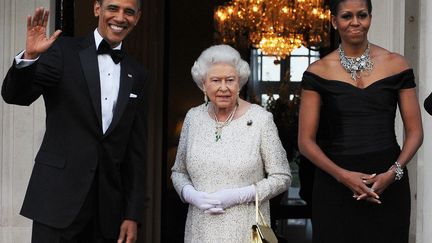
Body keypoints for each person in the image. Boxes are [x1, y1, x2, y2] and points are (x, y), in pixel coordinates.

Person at [1, 0, 148, 242]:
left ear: (138, 17)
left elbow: (136, 152)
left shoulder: (138, 73)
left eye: (129, 12)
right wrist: (29, 57)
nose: (120, 17)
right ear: (97, 9)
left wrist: (132, 214)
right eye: (113, 8)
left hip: (107, 211)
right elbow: (15, 96)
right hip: (56, 202)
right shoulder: (62, 51)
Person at [298, 0, 423, 242]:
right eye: (347, 16)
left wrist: (394, 172)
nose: (355, 22)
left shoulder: (396, 64)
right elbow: (305, 142)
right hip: (334, 183)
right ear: (334, 21)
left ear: (370, 18)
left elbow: (415, 131)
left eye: (362, 15)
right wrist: (342, 175)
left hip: (387, 180)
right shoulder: (317, 71)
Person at [171, 44, 291, 242]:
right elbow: (178, 172)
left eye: (230, 80)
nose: (224, 87)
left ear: (240, 82)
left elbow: (282, 177)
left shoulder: (261, 119)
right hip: (200, 230)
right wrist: (191, 195)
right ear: (203, 84)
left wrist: (240, 195)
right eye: (216, 80)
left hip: (245, 230)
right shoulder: (193, 118)